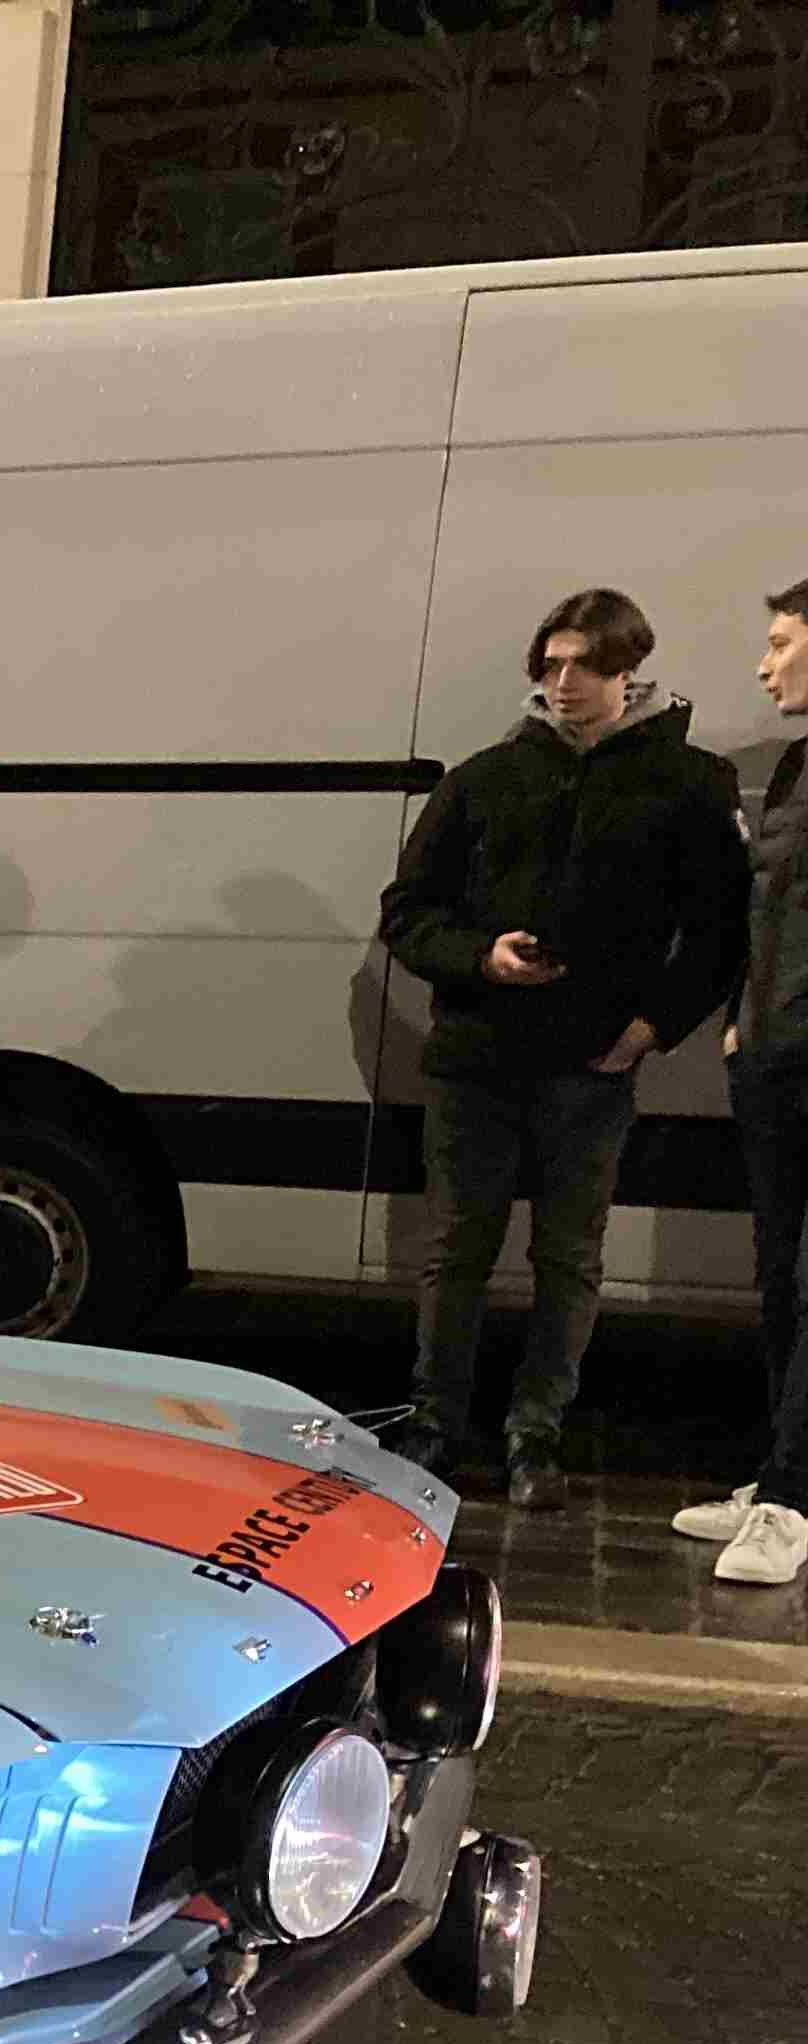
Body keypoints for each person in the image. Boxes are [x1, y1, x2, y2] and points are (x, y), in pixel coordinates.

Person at [378, 588, 753, 1503]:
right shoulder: (485, 777)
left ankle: (535, 1434)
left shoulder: (686, 782)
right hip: (477, 1056)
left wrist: (649, 1031)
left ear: (628, 669)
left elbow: (718, 934)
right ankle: (435, 1424)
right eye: (550, 664)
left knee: (569, 1259)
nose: (563, 681)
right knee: (455, 1249)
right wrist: (483, 956)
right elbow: (407, 912)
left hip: (592, 1065)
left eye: (584, 663)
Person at [678, 579, 808, 1585]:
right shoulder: (797, 764)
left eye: (780, 643)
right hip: (773, 1056)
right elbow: (769, 912)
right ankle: (780, 1479)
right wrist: (738, 1024)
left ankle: (792, 1503)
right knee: (776, 1278)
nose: (764, 667)